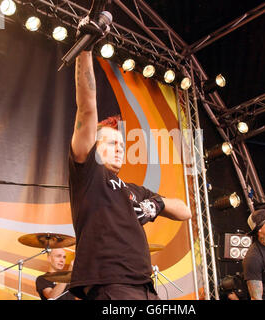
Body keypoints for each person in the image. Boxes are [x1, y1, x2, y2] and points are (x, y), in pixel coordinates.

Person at [67, 48, 192, 300]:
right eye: (112, 144)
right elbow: (87, 108)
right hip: (112, 286)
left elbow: (185, 211)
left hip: (145, 288)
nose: (120, 150)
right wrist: (85, 50)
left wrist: (154, 205)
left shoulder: (134, 190)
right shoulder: (89, 173)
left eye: (122, 146)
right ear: (94, 146)